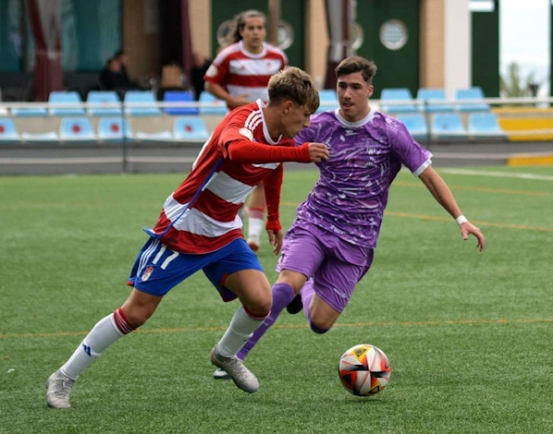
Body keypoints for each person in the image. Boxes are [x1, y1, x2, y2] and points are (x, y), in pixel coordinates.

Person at [45, 67, 330, 409]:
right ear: (286, 107)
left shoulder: (280, 135)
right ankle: (63, 377)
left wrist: (271, 218)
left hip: (224, 231)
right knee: (136, 313)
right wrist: (299, 154)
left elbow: (272, 168)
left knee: (260, 301)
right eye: (305, 112)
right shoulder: (243, 121)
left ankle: (225, 355)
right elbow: (237, 151)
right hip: (186, 226)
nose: (308, 121)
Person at [212, 56, 486, 381]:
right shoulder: (320, 125)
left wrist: (460, 218)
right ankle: (233, 356)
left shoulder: (390, 132)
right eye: (342, 86)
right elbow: (275, 151)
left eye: (355, 87)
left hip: (357, 241)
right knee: (286, 285)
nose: (347, 94)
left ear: (369, 89)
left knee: (320, 323)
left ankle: (307, 286)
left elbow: (428, 176)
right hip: (314, 222)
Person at [205, 9, 288, 253]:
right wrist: (233, 99)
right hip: (238, 125)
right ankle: (231, 230)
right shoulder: (228, 56)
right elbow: (209, 83)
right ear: (241, 31)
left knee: (261, 178)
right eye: (250, 28)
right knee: (233, 178)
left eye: (260, 28)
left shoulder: (277, 56)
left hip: (266, 127)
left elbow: (285, 86)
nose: (255, 32)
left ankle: (252, 237)